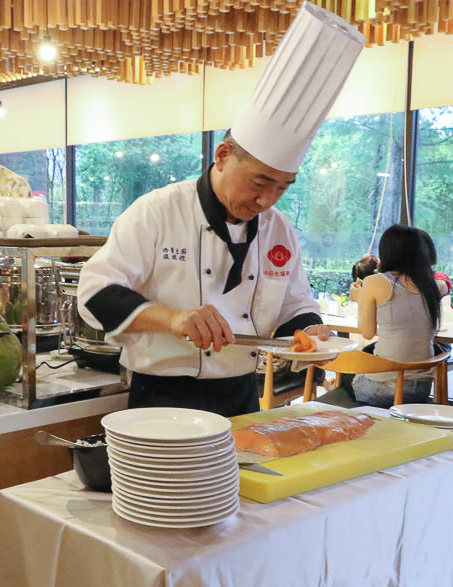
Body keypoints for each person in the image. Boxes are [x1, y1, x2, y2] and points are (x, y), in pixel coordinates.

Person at [77, 4, 364, 417]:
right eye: (260, 182)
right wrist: (174, 319)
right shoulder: (157, 212)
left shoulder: (278, 228)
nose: (267, 201)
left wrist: (308, 330)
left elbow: (292, 304)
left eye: (283, 187)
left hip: (242, 395)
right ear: (223, 155)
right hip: (160, 398)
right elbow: (95, 294)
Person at [348, 224, 442, 407]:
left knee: (347, 371)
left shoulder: (374, 282)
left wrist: (361, 298)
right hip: (422, 388)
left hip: (387, 389)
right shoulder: (430, 285)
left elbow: (367, 333)